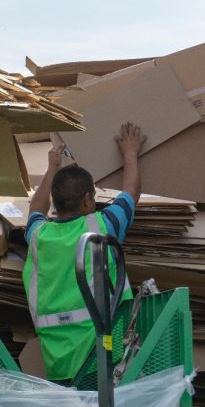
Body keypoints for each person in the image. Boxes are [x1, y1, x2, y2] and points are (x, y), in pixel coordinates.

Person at [22, 122, 146, 383]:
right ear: (88, 199)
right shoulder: (102, 227)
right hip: (101, 357)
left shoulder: (38, 237)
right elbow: (130, 194)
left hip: (56, 365)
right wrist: (130, 153)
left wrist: (52, 166)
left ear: (56, 203)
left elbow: (35, 206)